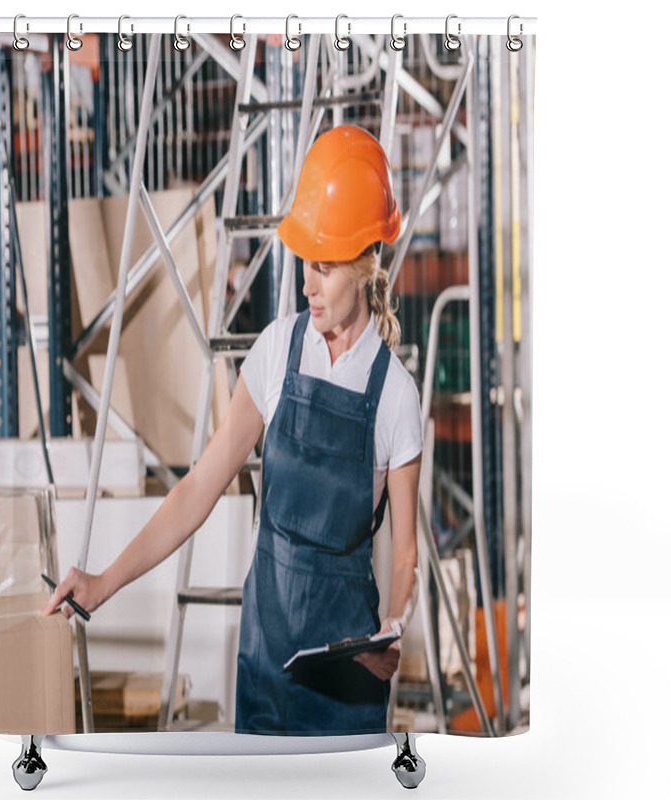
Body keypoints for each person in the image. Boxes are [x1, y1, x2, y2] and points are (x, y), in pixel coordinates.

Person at [39, 124, 423, 737]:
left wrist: (394, 629)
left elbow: (405, 555)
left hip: (347, 690)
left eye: (324, 268)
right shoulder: (277, 351)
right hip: (266, 663)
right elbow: (198, 488)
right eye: (305, 264)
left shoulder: (396, 397)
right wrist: (103, 580)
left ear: (363, 261)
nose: (306, 285)